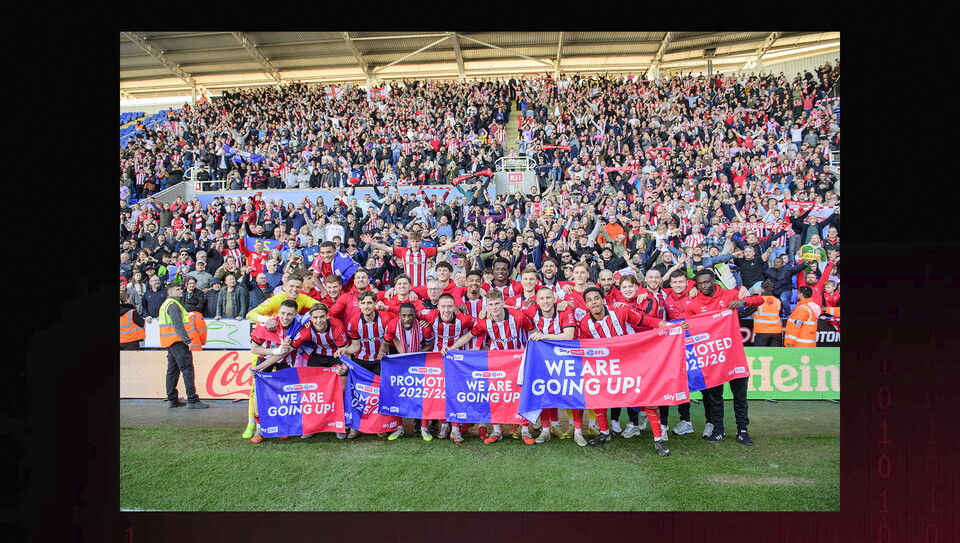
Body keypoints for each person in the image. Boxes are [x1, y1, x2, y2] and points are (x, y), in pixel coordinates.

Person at [579, 286, 674, 456]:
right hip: (608, 366)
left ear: (603, 299)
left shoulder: (620, 311)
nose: (594, 303)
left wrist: (669, 325)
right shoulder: (585, 324)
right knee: (598, 396)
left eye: (596, 298)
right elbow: (587, 348)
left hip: (632, 361)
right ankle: (605, 433)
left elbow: (646, 320)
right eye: (590, 300)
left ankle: (658, 439)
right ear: (586, 304)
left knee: (647, 397)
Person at [442, 289, 535, 445]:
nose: (494, 308)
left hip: (517, 361)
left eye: (497, 304)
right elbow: (470, 335)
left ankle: (525, 430)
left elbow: (533, 332)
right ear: (486, 306)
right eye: (491, 304)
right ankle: (496, 431)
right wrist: (452, 348)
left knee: (519, 394)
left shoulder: (517, 316)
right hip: (496, 362)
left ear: (503, 303)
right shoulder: (484, 321)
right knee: (496, 394)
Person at [683, 268, 765, 445]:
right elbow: (686, 325)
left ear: (714, 281)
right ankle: (718, 430)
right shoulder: (693, 304)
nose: (704, 286)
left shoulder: (728, 295)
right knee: (715, 397)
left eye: (707, 282)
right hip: (712, 357)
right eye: (700, 283)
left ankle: (742, 430)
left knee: (740, 397)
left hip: (733, 355)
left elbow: (760, 299)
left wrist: (742, 301)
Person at [335, 291, 398, 438]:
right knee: (356, 394)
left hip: (380, 360)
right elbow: (355, 346)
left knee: (381, 394)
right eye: (363, 303)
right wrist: (344, 350)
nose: (366, 306)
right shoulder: (354, 321)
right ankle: (355, 427)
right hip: (361, 361)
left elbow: (393, 335)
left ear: (375, 304)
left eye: (369, 303)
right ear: (359, 305)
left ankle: (380, 426)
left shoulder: (386, 318)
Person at [522, 287, 576, 443]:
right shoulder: (531, 311)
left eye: (548, 298)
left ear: (554, 299)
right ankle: (546, 430)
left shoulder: (564, 310)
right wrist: (490, 311)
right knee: (544, 391)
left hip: (566, 358)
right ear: (537, 302)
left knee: (570, 390)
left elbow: (569, 336)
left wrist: (542, 336)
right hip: (544, 358)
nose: (545, 301)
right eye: (542, 299)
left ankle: (578, 430)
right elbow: (512, 311)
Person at [243, 300, 301, 443]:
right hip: (265, 359)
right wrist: (274, 350)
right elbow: (254, 349)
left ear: (295, 315)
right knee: (259, 393)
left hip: (286, 360)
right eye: (283, 313)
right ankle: (259, 428)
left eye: (289, 314)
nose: (285, 317)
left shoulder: (299, 326)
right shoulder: (268, 324)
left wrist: (280, 352)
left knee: (286, 394)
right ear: (278, 312)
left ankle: (283, 426)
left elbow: (287, 351)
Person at [382, 302, 435, 441]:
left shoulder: (425, 328)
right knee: (398, 394)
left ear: (415, 315)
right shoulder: (393, 324)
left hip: (420, 362)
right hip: (401, 363)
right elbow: (386, 342)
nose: (407, 319)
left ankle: (424, 428)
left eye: (410, 315)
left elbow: (430, 344)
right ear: (399, 315)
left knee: (423, 394)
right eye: (404, 315)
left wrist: (416, 357)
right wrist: (381, 353)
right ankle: (399, 428)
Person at [157, 281, 208, 409]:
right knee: (187, 370)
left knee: (172, 371)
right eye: (178, 289)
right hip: (178, 342)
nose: (181, 291)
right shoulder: (174, 305)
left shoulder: (166, 304)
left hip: (170, 342)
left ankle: (172, 399)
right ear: (170, 292)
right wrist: (188, 341)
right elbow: (178, 325)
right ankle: (192, 399)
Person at [740, 279, 783, 346]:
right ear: (772, 289)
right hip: (777, 332)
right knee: (775, 355)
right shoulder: (777, 300)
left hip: (762, 332)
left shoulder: (758, 300)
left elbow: (745, 312)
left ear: (762, 289)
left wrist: (734, 314)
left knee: (759, 353)